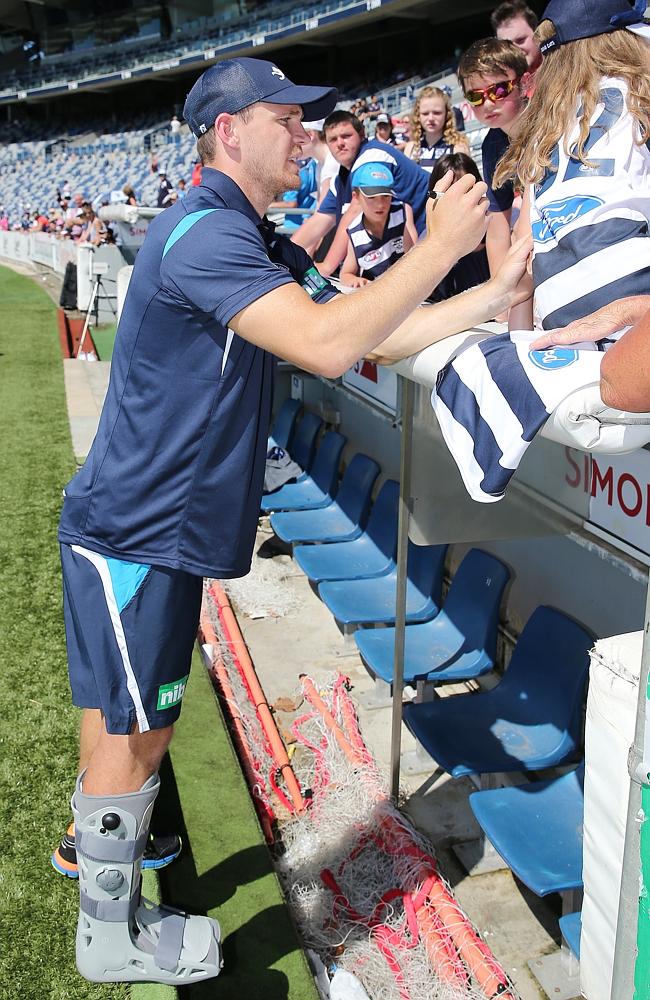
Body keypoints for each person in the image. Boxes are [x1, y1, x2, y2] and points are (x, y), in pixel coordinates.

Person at [56, 54, 530, 988]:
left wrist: (488, 292)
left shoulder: (240, 229)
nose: (305, 134)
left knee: (135, 721)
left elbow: (365, 328)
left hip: (157, 528)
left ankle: (109, 877)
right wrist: (439, 246)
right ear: (230, 131)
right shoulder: (203, 234)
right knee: (133, 728)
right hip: (137, 530)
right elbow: (326, 343)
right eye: (287, 118)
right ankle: (106, 935)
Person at [494, 0, 650, 334]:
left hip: (561, 319)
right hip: (635, 305)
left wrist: (518, 340)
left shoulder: (543, 130)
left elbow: (523, 250)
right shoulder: (641, 94)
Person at [291, 109, 430, 267]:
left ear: (361, 134)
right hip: (410, 251)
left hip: (430, 238)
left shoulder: (371, 158)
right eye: (333, 139)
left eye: (346, 136)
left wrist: (327, 266)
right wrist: (281, 256)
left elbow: (354, 210)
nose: (340, 143)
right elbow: (319, 221)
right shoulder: (342, 177)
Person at [458, 38, 528, 276]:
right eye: (475, 97)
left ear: (523, 83)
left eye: (499, 90)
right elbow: (498, 230)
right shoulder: (492, 146)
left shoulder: (549, 123)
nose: (487, 103)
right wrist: (501, 303)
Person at [339, 162, 417, 286]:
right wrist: (355, 280)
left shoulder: (402, 212)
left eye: (386, 196)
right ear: (356, 196)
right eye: (371, 197)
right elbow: (345, 274)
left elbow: (414, 256)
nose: (380, 204)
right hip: (377, 294)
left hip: (405, 286)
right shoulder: (355, 233)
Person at [426, 153, 490, 302]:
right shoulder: (430, 245)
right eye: (447, 192)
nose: (456, 200)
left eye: (465, 190)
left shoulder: (499, 231)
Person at [403, 86, 469, 172]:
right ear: (418, 115)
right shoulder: (411, 148)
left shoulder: (458, 147)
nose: (430, 118)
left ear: (447, 114)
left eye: (437, 113)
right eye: (425, 113)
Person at [491, 0, 543, 90]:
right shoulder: (502, 89)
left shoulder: (563, 69)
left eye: (520, 40)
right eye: (507, 45)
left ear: (538, 33)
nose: (515, 49)